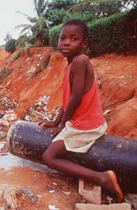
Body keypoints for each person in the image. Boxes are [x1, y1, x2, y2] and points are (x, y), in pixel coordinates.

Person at [39, 19, 123, 201]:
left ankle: (103, 178)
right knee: (53, 152)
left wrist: (62, 125)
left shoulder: (80, 61)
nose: (66, 42)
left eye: (73, 38)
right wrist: (55, 120)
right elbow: (68, 99)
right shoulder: (71, 64)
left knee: (49, 157)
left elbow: (75, 99)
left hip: (86, 126)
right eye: (63, 38)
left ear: (84, 43)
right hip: (82, 122)